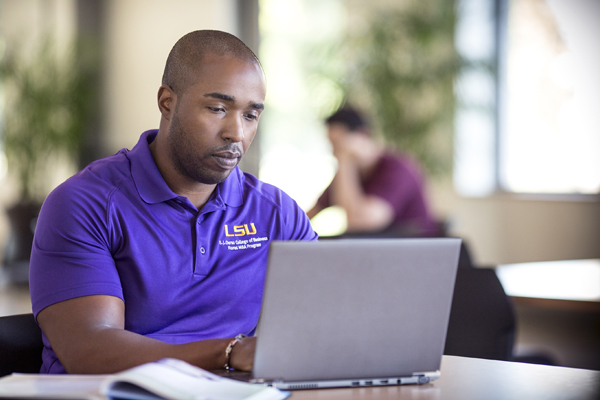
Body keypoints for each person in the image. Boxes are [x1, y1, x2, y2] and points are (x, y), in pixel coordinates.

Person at [28, 30, 317, 375]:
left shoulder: (277, 214)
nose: (236, 133)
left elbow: (329, 323)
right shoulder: (83, 204)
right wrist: (229, 353)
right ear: (167, 102)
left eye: (250, 115)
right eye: (218, 108)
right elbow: (91, 350)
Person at [307, 106, 436, 237]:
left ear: (363, 135)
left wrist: (345, 162)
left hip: (413, 251)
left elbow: (359, 222)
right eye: (332, 145)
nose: (335, 153)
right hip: (377, 252)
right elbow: (306, 217)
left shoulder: (398, 169)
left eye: (338, 143)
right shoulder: (351, 175)